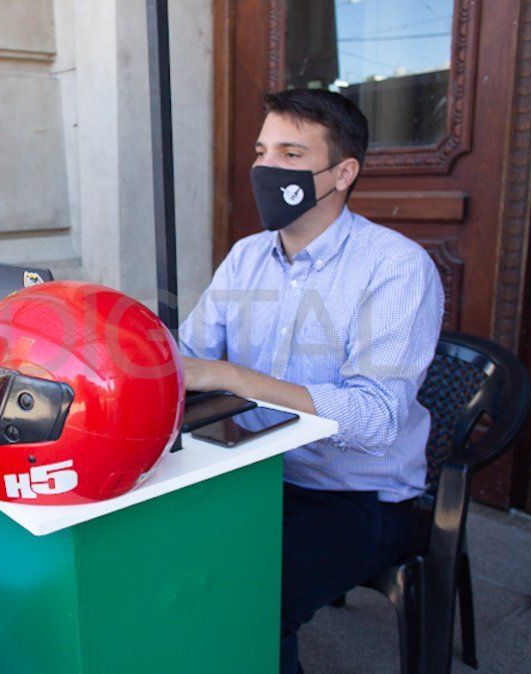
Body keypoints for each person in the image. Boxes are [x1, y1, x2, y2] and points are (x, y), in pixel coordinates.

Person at [178, 89, 443, 674]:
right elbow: (190, 353)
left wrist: (233, 377)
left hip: (352, 494)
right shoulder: (248, 255)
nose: (266, 168)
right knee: (170, 572)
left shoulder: (396, 267)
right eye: (261, 150)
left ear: (342, 173)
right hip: (252, 469)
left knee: (246, 609)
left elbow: (374, 421)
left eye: (291, 154)